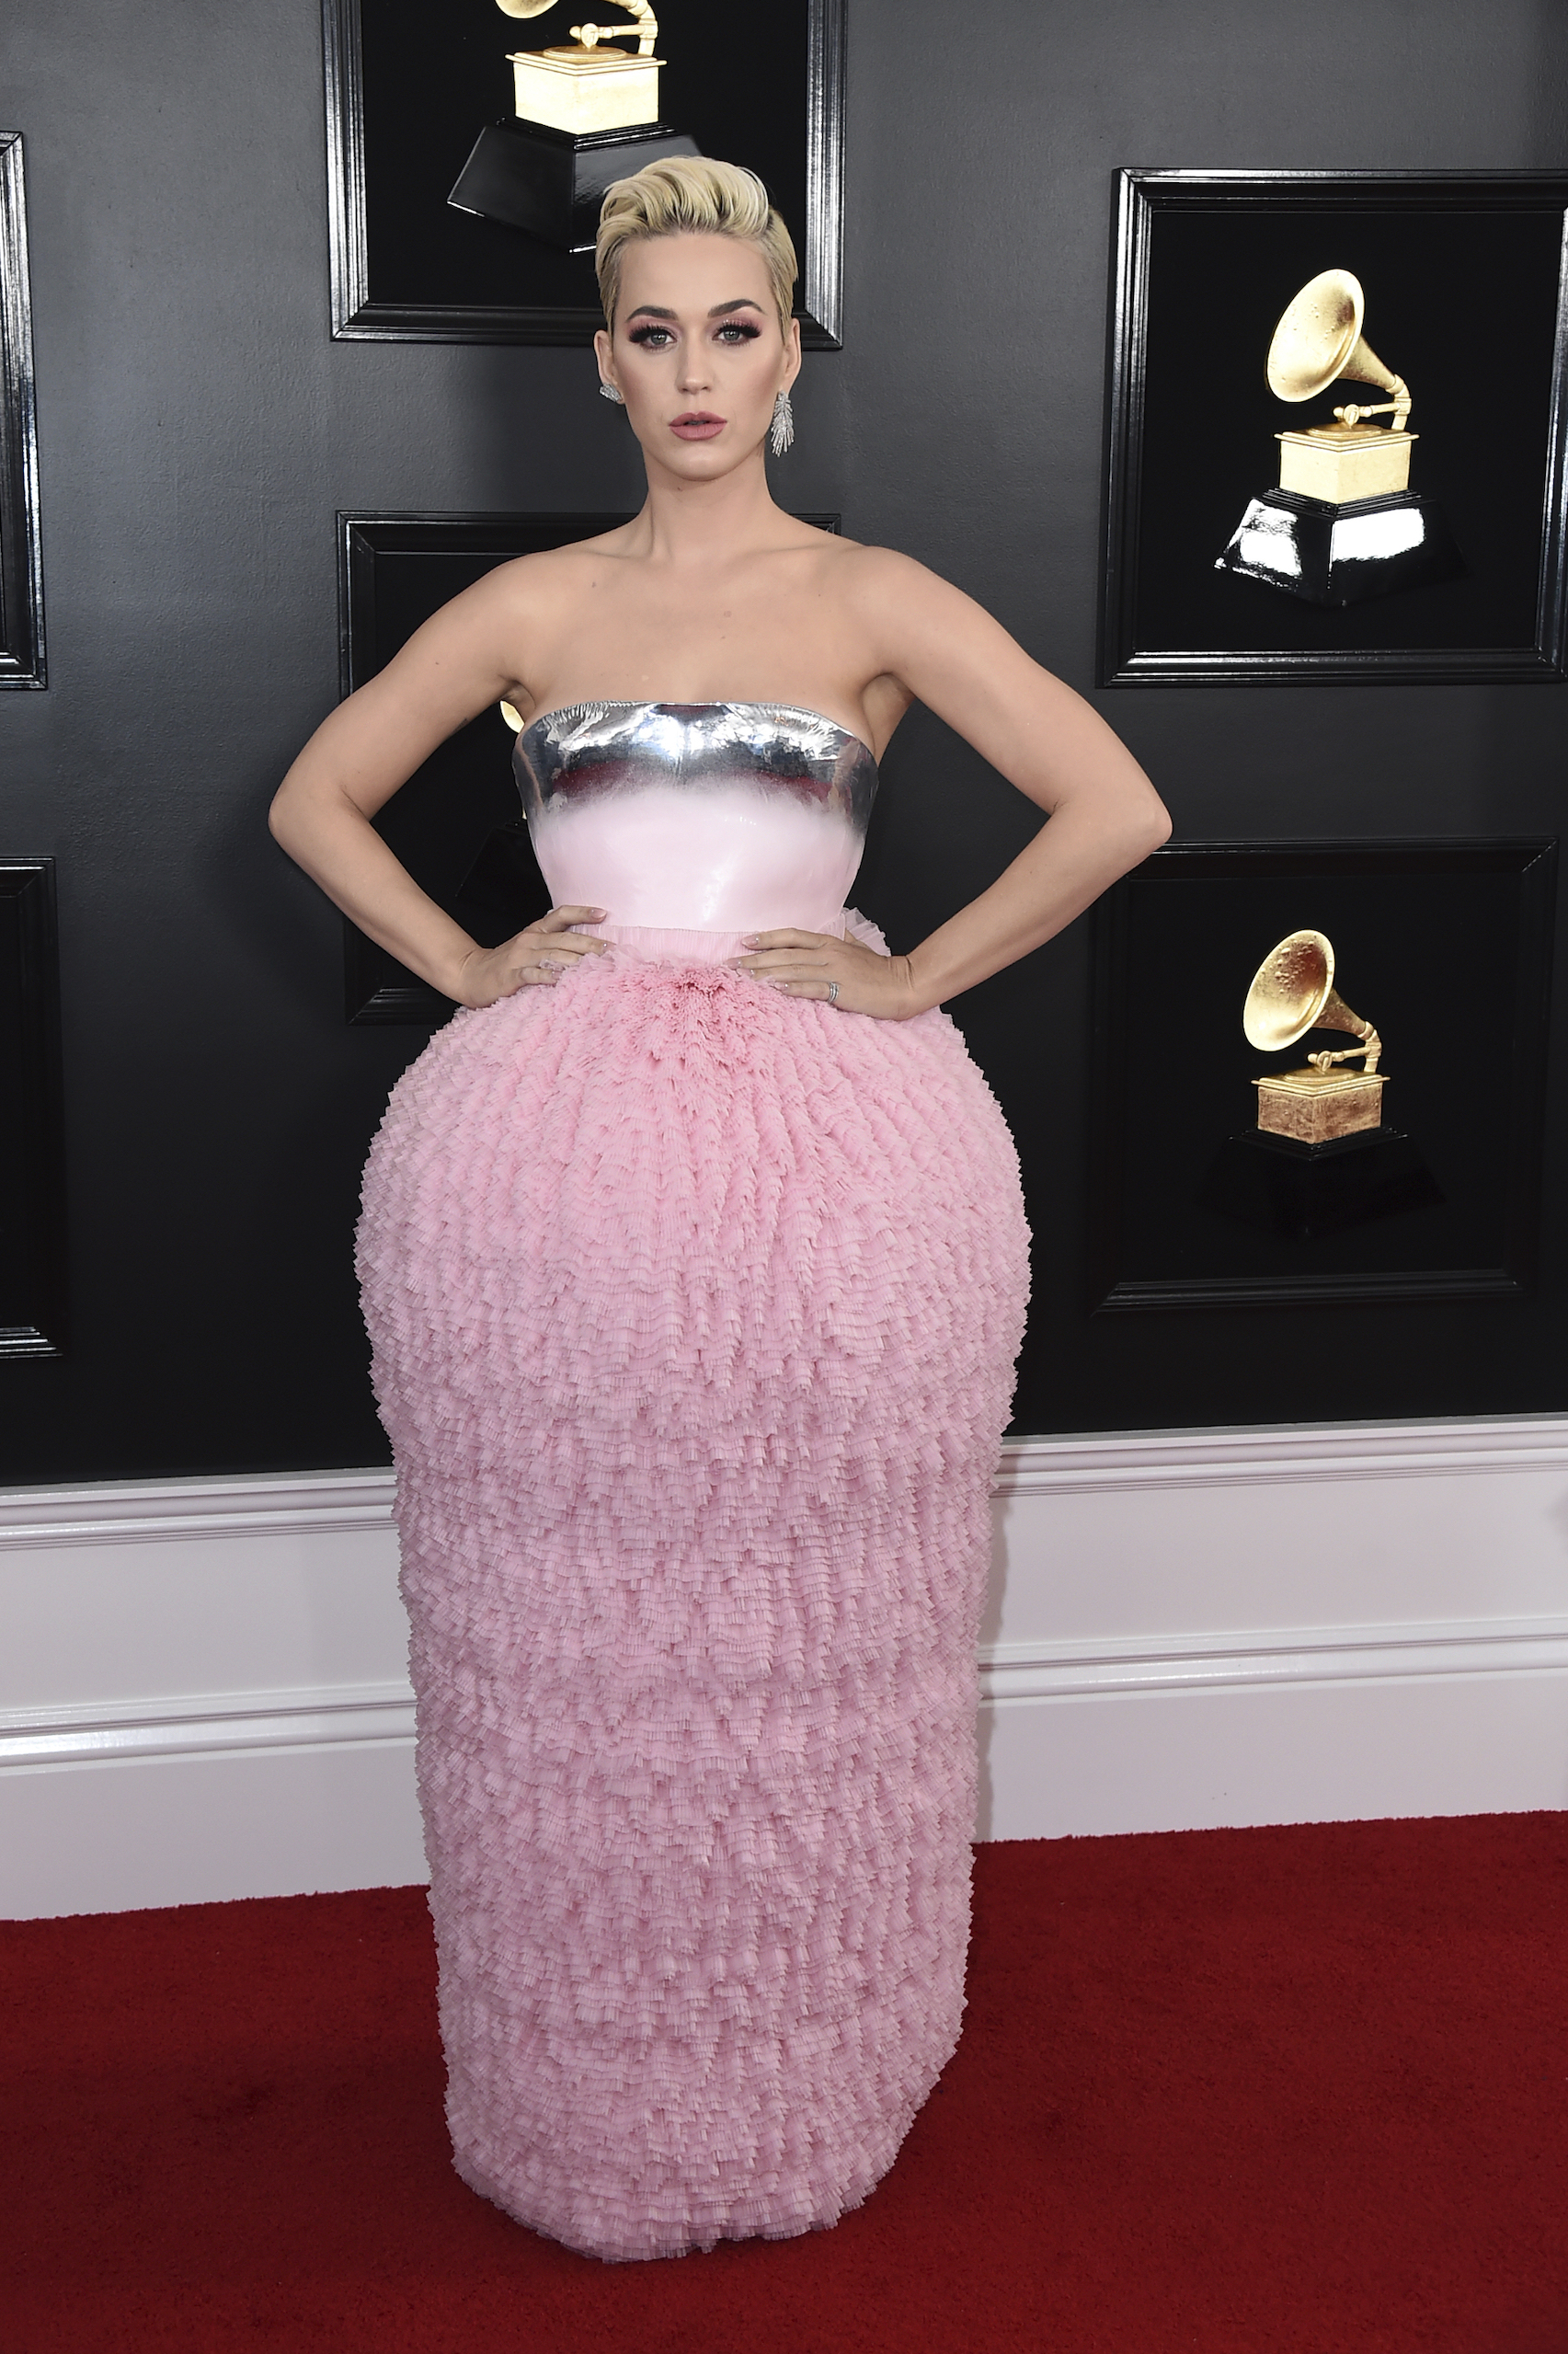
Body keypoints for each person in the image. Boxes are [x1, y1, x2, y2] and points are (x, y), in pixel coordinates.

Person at [269, 157, 1168, 2262]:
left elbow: (1116, 802)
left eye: (735, 329)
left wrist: (911, 966)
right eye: (654, 333)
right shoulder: (533, 608)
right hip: (548, 1178)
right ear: (601, 363)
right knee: (558, 1624)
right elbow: (315, 797)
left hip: (832, 1175)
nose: (696, 371)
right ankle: (583, 2080)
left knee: (826, 1622)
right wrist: (477, 959)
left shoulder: (873, 596)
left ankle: (815, 2056)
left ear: (787, 350)